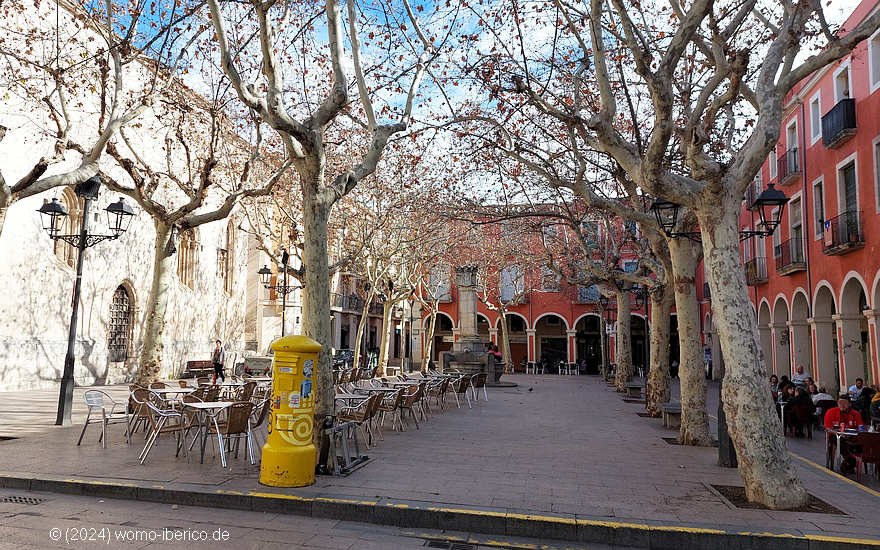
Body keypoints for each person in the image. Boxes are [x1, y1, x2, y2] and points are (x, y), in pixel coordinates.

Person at [824, 394, 864, 473]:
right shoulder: (831, 412)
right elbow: (828, 427)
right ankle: (850, 460)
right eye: (840, 403)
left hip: (852, 437)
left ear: (849, 404)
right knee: (840, 442)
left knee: (861, 443)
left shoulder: (855, 414)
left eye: (844, 403)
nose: (842, 405)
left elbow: (860, 427)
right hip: (835, 436)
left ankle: (849, 462)